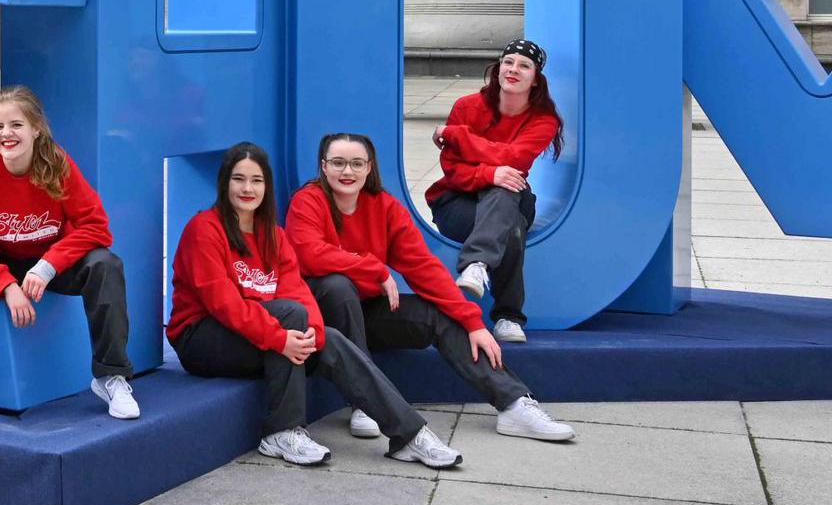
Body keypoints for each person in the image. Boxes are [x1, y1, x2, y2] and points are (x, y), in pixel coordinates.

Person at [167, 142, 461, 470]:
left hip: (262, 331)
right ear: (224, 183)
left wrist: (314, 337)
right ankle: (281, 430)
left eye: (257, 180)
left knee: (327, 337)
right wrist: (282, 338)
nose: (248, 188)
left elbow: (297, 291)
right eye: (239, 179)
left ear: (267, 186)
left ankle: (410, 435)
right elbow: (223, 303)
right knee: (292, 317)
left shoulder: (273, 237)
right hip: (203, 336)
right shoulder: (204, 229)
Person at [287, 132, 575, 444]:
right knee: (337, 286)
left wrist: (472, 321)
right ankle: (364, 402)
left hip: (365, 316)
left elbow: (423, 268)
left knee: (440, 316)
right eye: (338, 163)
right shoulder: (309, 201)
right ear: (323, 166)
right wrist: (373, 268)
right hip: (321, 323)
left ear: (370, 167)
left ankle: (513, 403)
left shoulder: (384, 207)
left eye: (357, 163)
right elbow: (308, 254)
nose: (347, 172)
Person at [0, 86, 137, 424]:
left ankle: (111, 376)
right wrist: (5, 285)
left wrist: (47, 267)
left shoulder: (57, 164)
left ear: (36, 128)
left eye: (16, 124)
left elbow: (96, 227)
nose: (7, 134)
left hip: (48, 263)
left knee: (105, 264)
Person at [427, 38, 562, 345]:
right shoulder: (466, 107)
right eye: (508, 62)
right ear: (498, 68)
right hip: (456, 200)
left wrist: (457, 135)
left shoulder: (544, 120)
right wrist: (491, 172)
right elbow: (452, 168)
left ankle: (476, 265)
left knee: (507, 186)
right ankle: (508, 316)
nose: (514, 70)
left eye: (524, 65)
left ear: (536, 77)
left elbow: (515, 161)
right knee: (511, 222)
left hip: (510, 195)